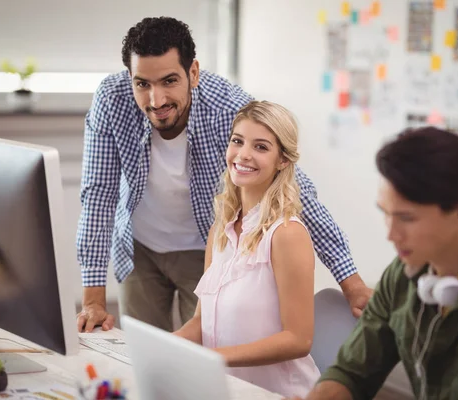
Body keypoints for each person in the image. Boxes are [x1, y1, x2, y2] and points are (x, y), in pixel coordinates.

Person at [75, 16, 371, 334]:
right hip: (139, 247)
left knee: (208, 351)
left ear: (193, 72)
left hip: (203, 248)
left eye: (169, 81)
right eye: (142, 84)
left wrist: (350, 281)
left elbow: (296, 191)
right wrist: (93, 300)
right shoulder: (111, 100)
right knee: (142, 353)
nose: (156, 100)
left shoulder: (229, 108)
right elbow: (99, 194)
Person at [292, 127, 458, 400]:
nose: (391, 235)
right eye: (386, 214)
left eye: (407, 218)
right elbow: (353, 370)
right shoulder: (406, 270)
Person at [174, 100, 321, 397]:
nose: (243, 155)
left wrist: (214, 358)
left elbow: (298, 339)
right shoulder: (220, 232)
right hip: (228, 389)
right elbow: (201, 322)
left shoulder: (286, 234)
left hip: (280, 394)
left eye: (261, 147)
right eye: (237, 141)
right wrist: (164, 345)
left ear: (283, 160)